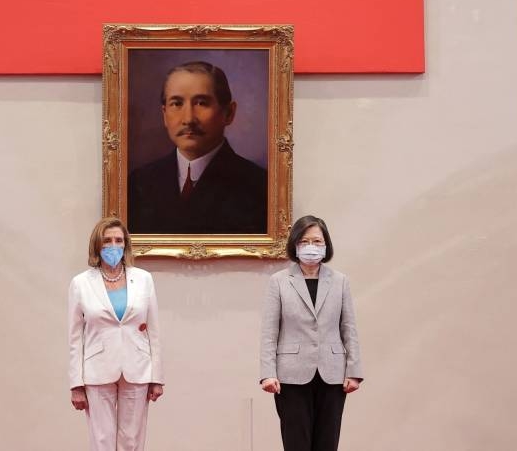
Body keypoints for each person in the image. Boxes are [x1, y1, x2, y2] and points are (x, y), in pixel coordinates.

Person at [259, 215, 363, 451]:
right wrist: (267, 373)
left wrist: (354, 371)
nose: (311, 247)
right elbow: (269, 332)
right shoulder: (279, 282)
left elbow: (349, 328)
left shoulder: (340, 281)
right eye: (305, 241)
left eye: (317, 241)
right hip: (291, 376)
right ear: (295, 244)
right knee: (296, 443)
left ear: (326, 245)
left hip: (333, 375)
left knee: (327, 443)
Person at [128, 60, 267, 234]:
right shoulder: (138, 183)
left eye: (201, 103)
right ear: (164, 114)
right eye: (177, 104)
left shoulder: (260, 187)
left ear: (229, 113)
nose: (188, 118)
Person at [68, 217, 164, 451]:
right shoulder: (81, 283)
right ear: (97, 246)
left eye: (118, 241)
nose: (113, 246)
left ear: (126, 244)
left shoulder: (143, 279)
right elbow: (74, 337)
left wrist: (157, 377)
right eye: (107, 241)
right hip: (97, 370)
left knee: (131, 440)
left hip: (137, 367)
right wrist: (76, 384)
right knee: (103, 440)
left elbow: (154, 330)